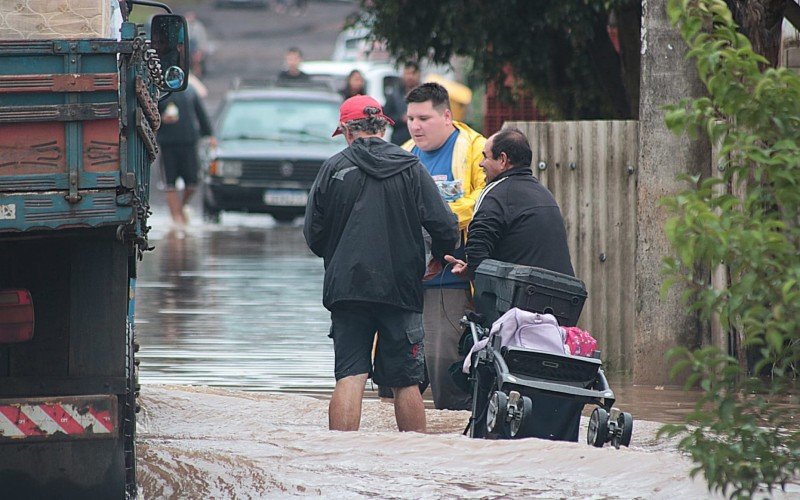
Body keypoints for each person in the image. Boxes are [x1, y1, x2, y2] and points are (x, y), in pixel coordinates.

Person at [304, 95, 458, 432]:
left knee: (350, 375)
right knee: (406, 381)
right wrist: (437, 260)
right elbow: (445, 227)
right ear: (384, 126)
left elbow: (313, 235)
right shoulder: (411, 167)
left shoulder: (333, 169)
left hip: (347, 289)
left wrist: (339, 256)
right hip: (401, 288)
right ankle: (415, 465)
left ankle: (339, 460)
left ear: (346, 131)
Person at [401, 82, 486, 411]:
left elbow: (486, 198)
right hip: (410, 280)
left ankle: (452, 447)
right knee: (396, 380)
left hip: (452, 278)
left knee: (443, 369)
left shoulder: (475, 149)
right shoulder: (407, 152)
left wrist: (442, 217)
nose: (416, 126)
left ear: (447, 116)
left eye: (424, 118)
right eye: (410, 118)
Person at [445, 127, 575, 279]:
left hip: (521, 297)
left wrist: (470, 271)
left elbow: (477, 251)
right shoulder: (544, 194)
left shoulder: (495, 194)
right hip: (560, 295)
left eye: (485, 157)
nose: (481, 164)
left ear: (502, 160)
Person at [156, 81, 214, 226]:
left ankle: (179, 210)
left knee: (193, 182)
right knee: (169, 183)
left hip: (189, 141)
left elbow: (201, 113)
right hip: (168, 143)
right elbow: (151, 116)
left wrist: (209, 135)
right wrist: (161, 120)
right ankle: (177, 219)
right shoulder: (160, 92)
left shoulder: (190, 91)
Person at [383, 61, 421, 146]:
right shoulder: (394, 93)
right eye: (407, 73)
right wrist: (401, 119)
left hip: (420, 140)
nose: (410, 77)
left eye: (413, 73)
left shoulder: (426, 93)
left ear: (419, 75)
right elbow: (386, 116)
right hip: (399, 140)